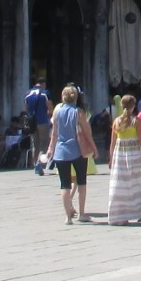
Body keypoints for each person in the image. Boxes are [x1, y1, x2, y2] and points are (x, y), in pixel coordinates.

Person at [49, 87, 94, 224]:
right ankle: (81, 214)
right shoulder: (78, 112)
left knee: (65, 185)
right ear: (76, 98)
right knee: (81, 182)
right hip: (77, 151)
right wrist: (93, 147)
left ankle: (68, 217)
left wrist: (50, 148)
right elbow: (86, 132)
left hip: (60, 151)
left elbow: (54, 133)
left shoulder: (57, 111)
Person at [107, 93, 141, 224]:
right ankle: (138, 212)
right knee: (136, 184)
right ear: (133, 107)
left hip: (120, 155)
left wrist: (111, 158)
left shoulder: (116, 121)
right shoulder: (136, 121)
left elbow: (113, 142)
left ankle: (120, 215)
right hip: (134, 155)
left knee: (120, 185)